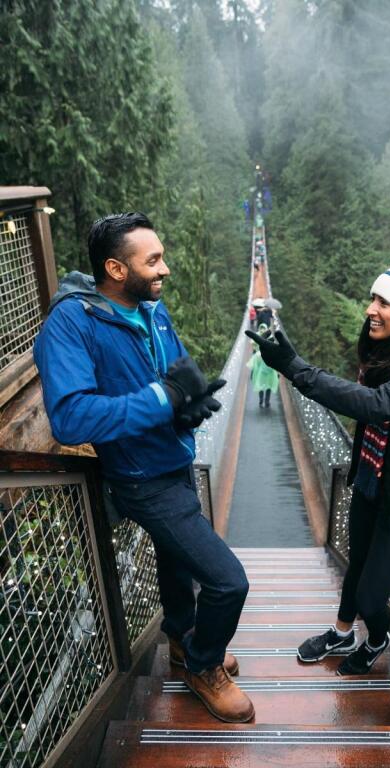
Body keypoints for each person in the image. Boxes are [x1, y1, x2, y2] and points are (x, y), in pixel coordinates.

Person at [34, 212, 254, 723]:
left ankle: (182, 640)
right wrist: (164, 399)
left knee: (177, 563)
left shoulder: (150, 307)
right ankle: (203, 666)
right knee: (228, 581)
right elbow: (70, 417)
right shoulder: (71, 323)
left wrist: (188, 402)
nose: (165, 269)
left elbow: (174, 367)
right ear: (116, 269)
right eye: (152, 261)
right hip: (141, 478)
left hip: (175, 458)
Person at [247, 242, 390, 675]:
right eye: (373, 298)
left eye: (383, 302)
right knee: (355, 568)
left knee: (371, 595)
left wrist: (295, 366)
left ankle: (377, 638)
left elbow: (379, 405)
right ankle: (343, 632)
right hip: (371, 478)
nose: (371, 309)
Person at [247, 323, 279, 408]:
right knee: (268, 386)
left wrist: (254, 373)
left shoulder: (259, 354)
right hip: (269, 373)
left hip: (262, 373)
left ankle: (262, 400)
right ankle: (266, 401)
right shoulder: (273, 354)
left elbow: (256, 364)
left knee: (261, 386)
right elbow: (276, 365)